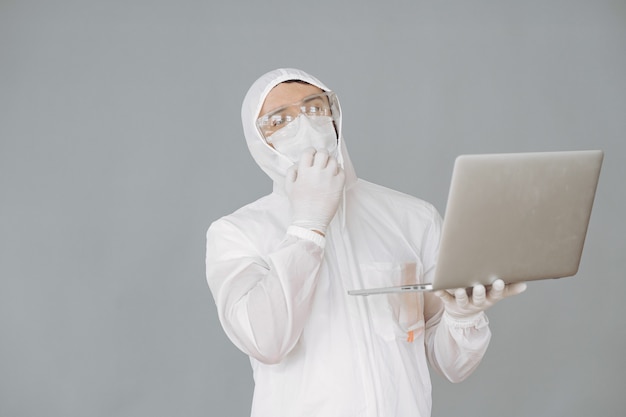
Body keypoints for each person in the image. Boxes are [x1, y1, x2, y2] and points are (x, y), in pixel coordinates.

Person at [205, 68, 526, 417]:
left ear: (335, 116)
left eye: (314, 108)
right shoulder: (237, 233)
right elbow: (267, 342)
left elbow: (453, 366)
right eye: (279, 120)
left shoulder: (412, 217)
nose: (304, 124)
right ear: (259, 142)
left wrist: (462, 317)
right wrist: (307, 226)